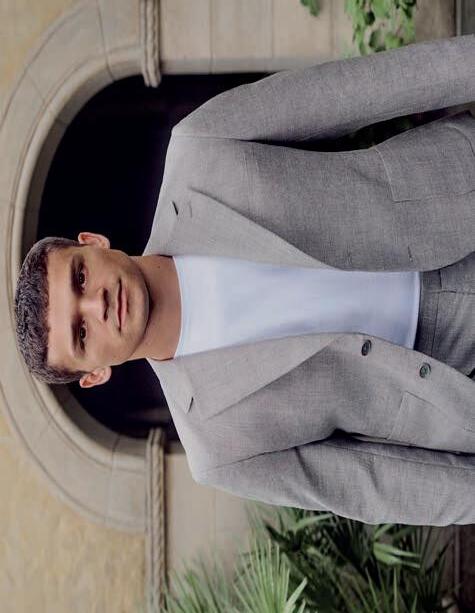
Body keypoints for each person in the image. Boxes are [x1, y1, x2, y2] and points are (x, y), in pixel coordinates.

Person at [14, 34, 475, 526]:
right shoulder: (216, 450)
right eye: (82, 333)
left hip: (452, 188)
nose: (98, 304)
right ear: (94, 375)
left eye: (80, 278)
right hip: (450, 373)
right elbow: (368, 484)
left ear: (93, 242)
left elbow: (359, 89)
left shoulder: (200, 148)